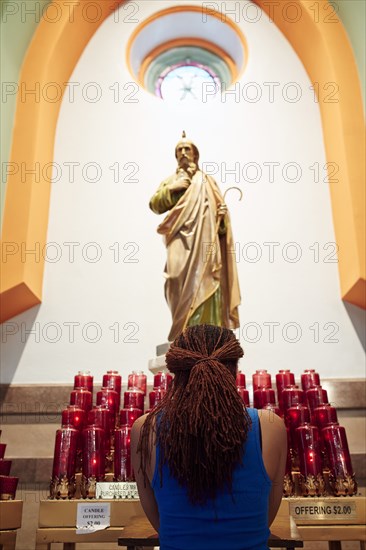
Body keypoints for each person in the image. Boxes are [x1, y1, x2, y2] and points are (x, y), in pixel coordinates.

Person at [131, 324, 287, 550]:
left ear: (176, 374)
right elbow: (266, 517)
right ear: (234, 370)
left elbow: (159, 521)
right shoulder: (271, 427)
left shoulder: (145, 429)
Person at [149, 133, 241, 341]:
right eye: (179, 150)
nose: (183, 153)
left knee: (208, 279)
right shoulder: (170, 181)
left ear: (195, 155)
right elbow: (154, 205)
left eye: (187, 149)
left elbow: (222, 224)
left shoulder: (208, 182)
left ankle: (209, 336)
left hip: (206, 241)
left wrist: (223, 219)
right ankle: (182, 331)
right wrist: (172, 189)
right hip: (179, 239)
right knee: (174, 279)